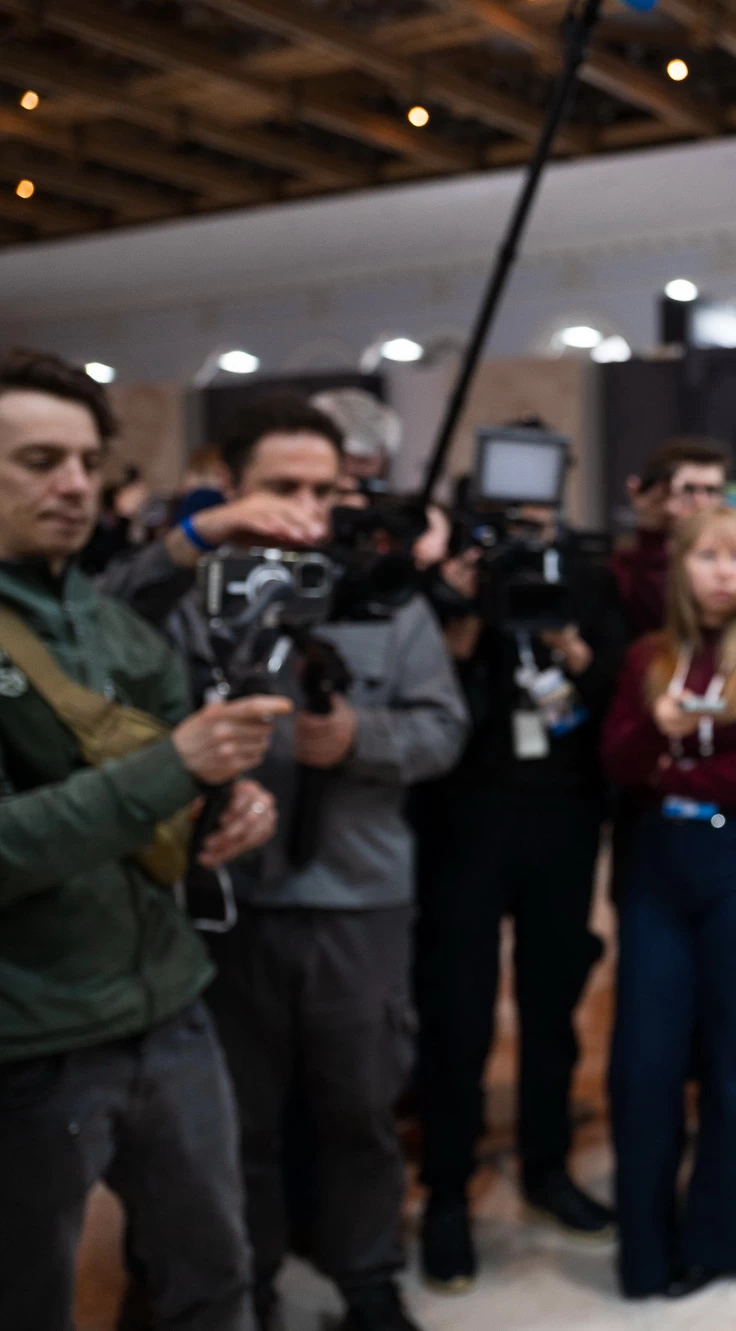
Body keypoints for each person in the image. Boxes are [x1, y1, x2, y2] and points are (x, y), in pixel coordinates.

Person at [127, 395, 469, 1331]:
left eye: (325, 490)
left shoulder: (384, 596)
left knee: (362, 1110)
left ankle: (367, 1277)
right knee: (236, 1122)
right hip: (227, 902)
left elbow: (444, 729)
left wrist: (359, 737)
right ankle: (253, 1281)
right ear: (230, 487)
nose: (306, 512)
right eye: (282, 487)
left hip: (358, 896)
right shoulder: (189, 600)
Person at [0, 348, 288, 1331]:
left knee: (215, 1276)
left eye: (87, 461)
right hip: (30, 1038)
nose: (75, 484)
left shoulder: (114, 623)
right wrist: (177, 767)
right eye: (39, 460)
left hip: (171, 1005)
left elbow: (183, 782)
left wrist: (232, 806)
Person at [600, 506, 736, 1299]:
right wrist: (654, 737)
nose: (724, 572)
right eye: (707, 557)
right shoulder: (648, 657)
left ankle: (728, 1238)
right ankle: (646, 1247)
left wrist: (672, 766)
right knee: (643, 1063)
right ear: (680, 568)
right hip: (662, 866)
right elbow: (616, 757)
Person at [411, 501, 627, 1292]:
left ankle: (547, 1166)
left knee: (552, 1007)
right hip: (464, 818)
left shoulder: (589, 580)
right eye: (511, 517)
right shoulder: (456, 586)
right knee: (457, 1015)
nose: (527, 533)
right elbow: (428, 696)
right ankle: (446, 1192)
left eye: (540, 515)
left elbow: (616, 691)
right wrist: (464, 608)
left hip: (564, 816)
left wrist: (573, 648)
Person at [612, 438, 729, 635]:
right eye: (688, 490)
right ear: (660, 491)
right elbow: (658, 618)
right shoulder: (627, 563)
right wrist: (651, 527)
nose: (701, 502)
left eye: (711, 491)